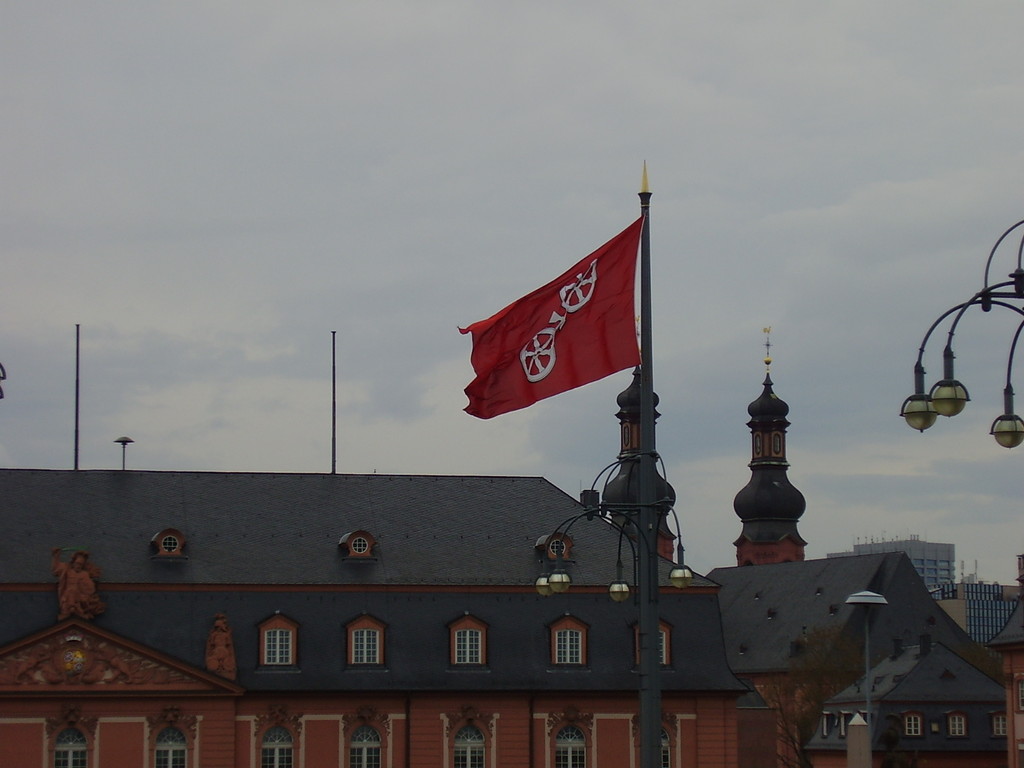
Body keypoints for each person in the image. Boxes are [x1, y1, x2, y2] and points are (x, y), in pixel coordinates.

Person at [51, 548, 106, 620]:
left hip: (80, 596)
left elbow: (90, 588)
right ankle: (69, 609)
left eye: (81, 565)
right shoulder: (67, 570)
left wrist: (83, 586)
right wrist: (56, 556)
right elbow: (56, 569)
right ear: (73, 563)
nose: (78, 566)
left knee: (74, 592)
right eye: (77, 563)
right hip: (68, 596)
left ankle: (77, 609)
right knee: (71, 591)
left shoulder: (84, 574)